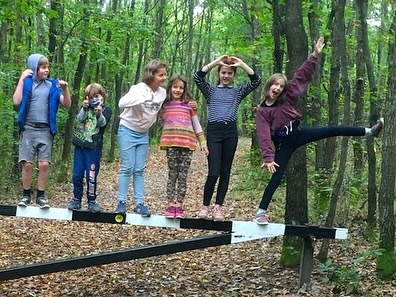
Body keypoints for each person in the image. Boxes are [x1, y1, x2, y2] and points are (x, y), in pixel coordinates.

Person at [254, 37, 384, 225]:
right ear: (269, 86)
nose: (277, 88)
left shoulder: (287, 99)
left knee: (332, 129)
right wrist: (267, 157)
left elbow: (301, 76)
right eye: (275, 85)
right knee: (277, 175)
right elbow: (263, 134)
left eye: (281, 86)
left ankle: (369, 132)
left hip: (297, 133)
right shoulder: (263, 112)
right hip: (284, 143)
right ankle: (260, 213)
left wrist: (314, 55)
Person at [194, 55, 261, 221]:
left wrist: (241, 63)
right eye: (223, 72)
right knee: (213, 172)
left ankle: (218, 207)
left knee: (225, 172)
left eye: (230, 73)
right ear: (219, 73)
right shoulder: (210, 90)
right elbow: (198, 77)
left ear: (233, 76)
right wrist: (216, 61)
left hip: (230, 132)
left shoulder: (237, 92)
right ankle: (205, 206)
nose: (226, 75)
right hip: (214, 132)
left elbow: (256, 81)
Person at [13, 53, 71, 208]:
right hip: (28, 128)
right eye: (43, 67)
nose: (47, 70)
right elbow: (16, 101)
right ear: (35, 68)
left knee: (44, 164)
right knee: (27, 164)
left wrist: (65, 90)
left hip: (45, 129)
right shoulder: (27, 84)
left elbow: (66, 104)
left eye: (47, 67)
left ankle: (41, 196)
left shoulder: (52, 85)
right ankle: (26, 195)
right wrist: (21, 78)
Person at [115, 59, 167, 216]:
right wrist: (142, 99)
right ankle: (121, 202)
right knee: (127, 168)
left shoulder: (162, 93)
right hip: (128, 130)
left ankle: (139, 204)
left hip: (143, 134)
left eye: (165, 74)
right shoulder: (138, 89)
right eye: (160, 75)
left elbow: (172, 102)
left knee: (139, 169)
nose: (164, 78)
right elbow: (121, 103)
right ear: (151, 75)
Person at [159, 75, 208, 219]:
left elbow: (196, 123)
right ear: (170, 88)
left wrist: (203, 142)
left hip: (187, 144)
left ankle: (179, 205)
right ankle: (170, 204)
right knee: (172, 174)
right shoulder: (164, 105)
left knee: (183, 176)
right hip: (171, 144)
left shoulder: (188, 105)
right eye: (175, 87)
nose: (178, 90)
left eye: (181, 87)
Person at [67, 83, 112, 213]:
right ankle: (76, 199)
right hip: (80, 147)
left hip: (94, 148)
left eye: (97, 96)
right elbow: (79, 120)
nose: (94, 99)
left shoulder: (106, 109)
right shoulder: (84, 108)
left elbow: (103, 123)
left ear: (102, 96)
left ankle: (91, 200)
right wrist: (84, 109)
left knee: (91, 176)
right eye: (91, 97)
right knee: (77, 175)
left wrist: (99, 114)